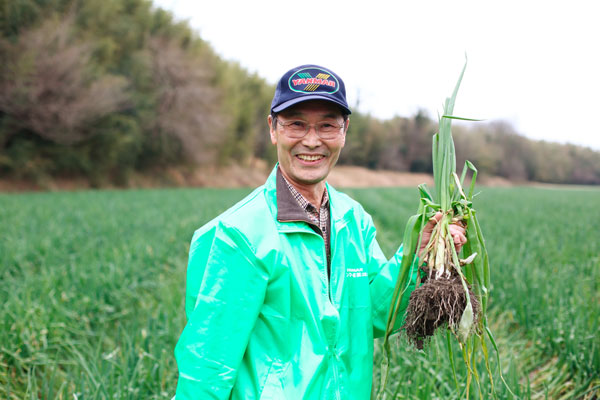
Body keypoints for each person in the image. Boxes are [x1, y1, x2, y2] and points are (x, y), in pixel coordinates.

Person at [173, 64, 466, 399]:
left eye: (327, 126)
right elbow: (207, 367)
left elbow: (374, 317)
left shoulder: (353, 221)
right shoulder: (236, 236)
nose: (311, 141)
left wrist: (418, 256)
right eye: (296, 124)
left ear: (344, 132)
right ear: (273, 129)